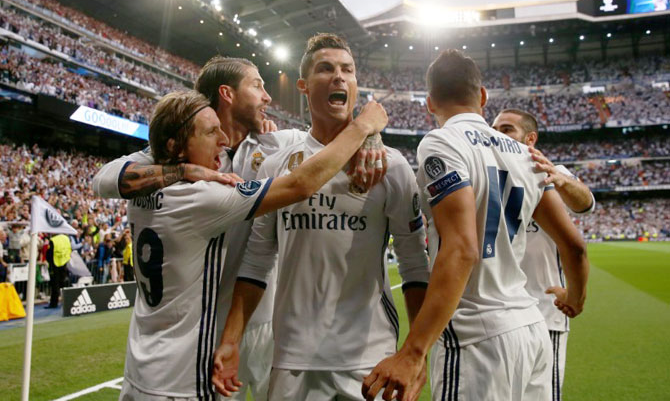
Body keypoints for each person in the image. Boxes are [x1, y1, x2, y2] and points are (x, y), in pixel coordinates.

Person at [93, 55, 387, 400]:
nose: (268, 97)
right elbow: (103, 179)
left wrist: (370, 137)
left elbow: (329, 141)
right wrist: (185, 171)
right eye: (258, 85)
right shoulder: (181, 157)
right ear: (227, 94)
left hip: (258, 316)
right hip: (201, 325)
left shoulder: (275, 143)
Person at [362, 49, 590, 401]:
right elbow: (573, 245)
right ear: (482, 97)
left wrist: (413, 351)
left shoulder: (442, 142)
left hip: (476, 336)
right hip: (532, 330)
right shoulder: (523, 154)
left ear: (429, 103)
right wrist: (574, 297)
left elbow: (463, 248)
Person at [213, 33, 430, 400]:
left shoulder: (390, 165)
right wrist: (232, 339)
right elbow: (257, 260)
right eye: (325, 69)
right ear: (303, 85)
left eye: (347, 70)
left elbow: (413, 265)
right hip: (290, 357)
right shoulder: (277, 163)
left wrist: (416, 353)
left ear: (357, 85)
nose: (339, 77)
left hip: (369, 358)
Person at [492, 109, 595, 401]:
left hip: (544, 314)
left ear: (530, 139)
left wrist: (561, 181)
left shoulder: (550, 172)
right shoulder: (483, 175)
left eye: (507, 128)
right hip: (495, 315)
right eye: (494, 127)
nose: (498, 133)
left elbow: (585, 203)